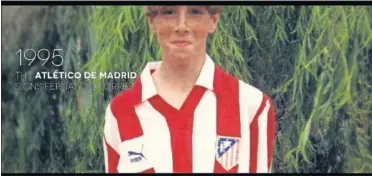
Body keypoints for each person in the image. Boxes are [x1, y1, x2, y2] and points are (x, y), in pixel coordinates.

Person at [102, 6, 275, 173]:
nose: (182, 26)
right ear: (152, 21)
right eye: (169, 12)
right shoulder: (120, 113)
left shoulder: (252, 106)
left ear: (213, 20)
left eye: (195, 12)